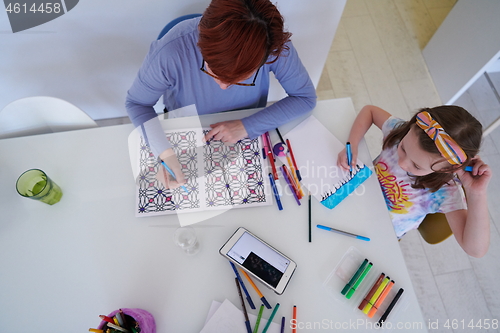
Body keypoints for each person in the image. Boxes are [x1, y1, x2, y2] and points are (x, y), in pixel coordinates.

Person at [126, 0, 317, 188]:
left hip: (246, 125)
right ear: (201, 42)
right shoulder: (169, 52)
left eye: (241, 78)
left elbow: (305, 97)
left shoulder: (272, 44)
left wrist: (247, 126)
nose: (224, 87)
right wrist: (165, 155)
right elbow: (137, 103)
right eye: (213, 72)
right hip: (184, 125)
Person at [338, 105, 492, 258]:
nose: (402, 164)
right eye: (403, 148)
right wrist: (351, 145)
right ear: (411, 127)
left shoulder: (445, 192)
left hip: (375, 236)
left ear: (447, 169)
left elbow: (476, 250)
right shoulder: (400, 132)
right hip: (351, 200)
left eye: (417, 166)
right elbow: (370, 111)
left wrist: (476, 193)